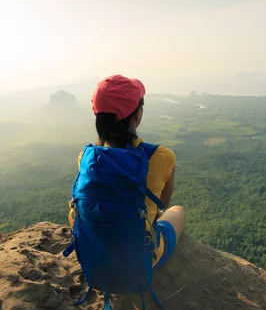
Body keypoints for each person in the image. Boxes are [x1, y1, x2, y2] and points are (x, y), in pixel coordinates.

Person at [69, 74, 185, 270]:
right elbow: (163, 203)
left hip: (95, 255)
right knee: (177, 211)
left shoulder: (85, 158)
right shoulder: (161, 156)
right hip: (140, 260)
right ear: (137, 115)